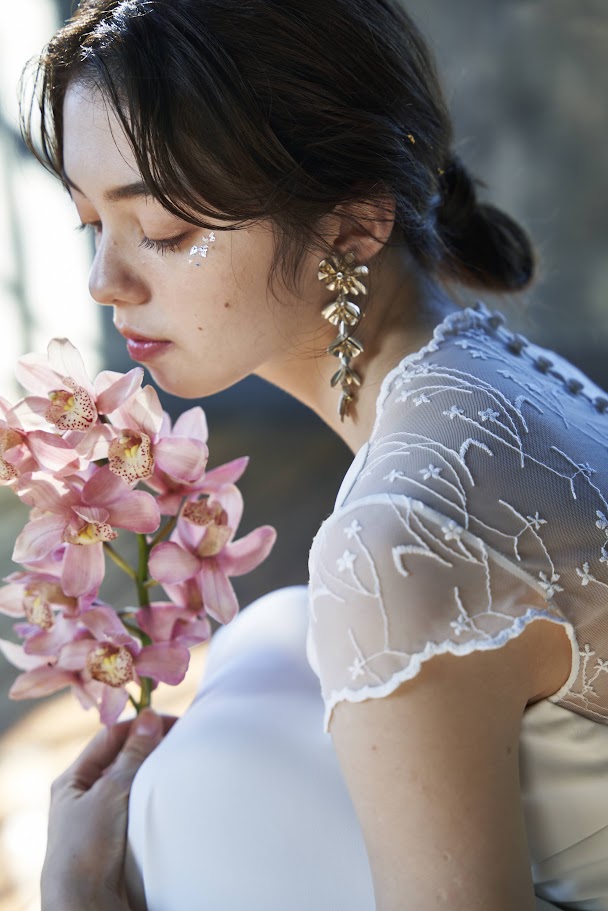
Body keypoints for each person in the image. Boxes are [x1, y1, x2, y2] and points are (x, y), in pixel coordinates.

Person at [19, 1, 608, 909]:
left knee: (200, 783)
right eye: (89, 222)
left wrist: (79, 893)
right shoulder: (502, 371)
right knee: (271, 644)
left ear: (353, 224)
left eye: (165, 232)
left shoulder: (402, 534)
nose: (106, 282)